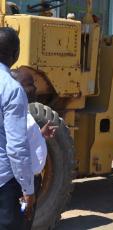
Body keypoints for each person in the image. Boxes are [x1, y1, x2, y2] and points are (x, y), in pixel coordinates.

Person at [11, 66, 57, 230]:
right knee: (23, 221)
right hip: (24, 181)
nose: (35, 88)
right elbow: (18, 152)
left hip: (26, 180)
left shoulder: (23, 113)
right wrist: (28, 191)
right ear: (17, 88)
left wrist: (40, 134)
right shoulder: (20, 117)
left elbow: (24, 139)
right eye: (29, 84)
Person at [0, 27, 34, 229]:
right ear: (15, 54)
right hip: (4, 182)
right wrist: (28, 188)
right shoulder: (12, 89)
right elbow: (17, 147)